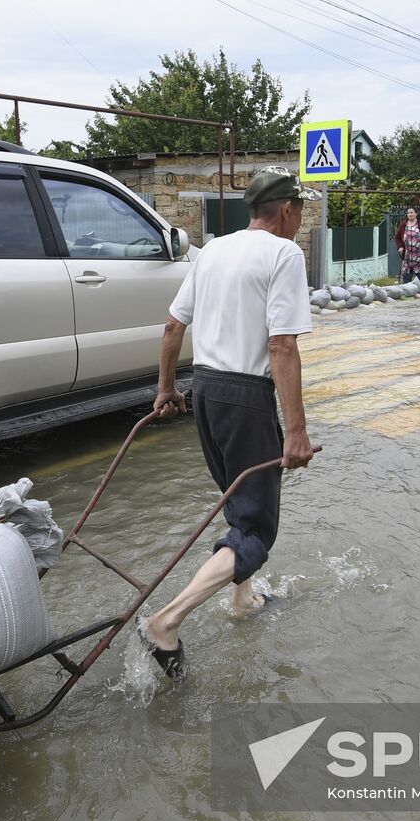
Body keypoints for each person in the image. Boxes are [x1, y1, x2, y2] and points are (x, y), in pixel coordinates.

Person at [139, 166, 318, 680]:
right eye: (300, 210)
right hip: (245, 396)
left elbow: (174, 325)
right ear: (287, 210)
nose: (300, 220)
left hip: (207, 391)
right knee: (258, 529)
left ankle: (244, 600)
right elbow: (282, 345)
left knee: (239, 507)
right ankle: (166, 621)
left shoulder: (213, 249)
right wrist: (297, 431)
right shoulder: (284, 254)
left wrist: (166, 389)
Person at [395, 207, 420, 283]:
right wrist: (400, 247)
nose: (410, 214)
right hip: (407, 255)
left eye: (412, 212)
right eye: (408, 213)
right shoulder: (403, 224)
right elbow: (397, 237)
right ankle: (407, 291)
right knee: (407, 275)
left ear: (416, 214)